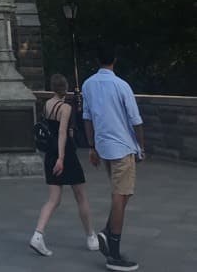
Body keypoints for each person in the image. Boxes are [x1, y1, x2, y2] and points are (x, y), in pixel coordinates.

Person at [82, 44, 144, 272]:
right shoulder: (121, 85)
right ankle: (114, 253)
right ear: (114, 60)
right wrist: (141, 147)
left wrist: (92, 146)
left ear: (98, 60)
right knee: (121, 196)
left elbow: (87, 117)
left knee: (123, 193)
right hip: (123, 146)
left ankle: (107, 233)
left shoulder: (88, 84)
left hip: (104, 147)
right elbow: (135, 119)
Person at [29, 73, 99, 257]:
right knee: (81, 195)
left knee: (53, 199)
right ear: (65, 88)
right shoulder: (65, 108)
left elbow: (51, 127)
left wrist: (55, 156)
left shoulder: (47, 105)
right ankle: (91, 236)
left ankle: (38, 234)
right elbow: (62, 133)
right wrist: (62, 157)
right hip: (65, 154)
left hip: (50, 153)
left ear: (53, 87)